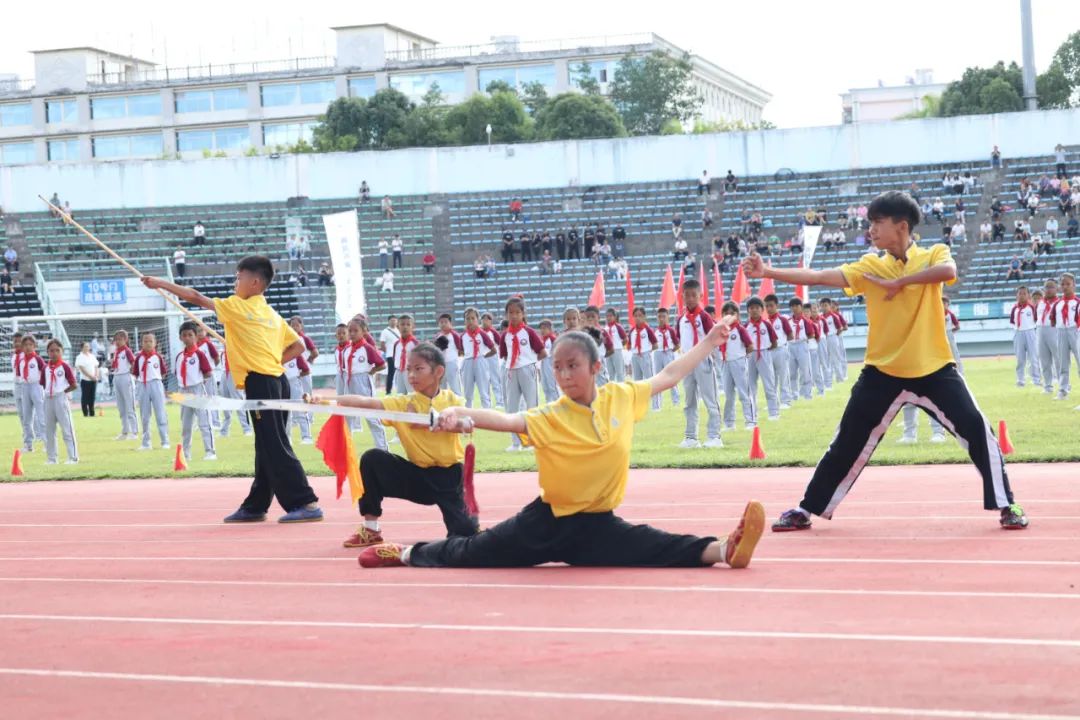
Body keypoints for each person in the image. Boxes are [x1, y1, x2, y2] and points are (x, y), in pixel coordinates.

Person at [355, 326, 766, 571]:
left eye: (573, 365)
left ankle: (724, 549)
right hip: (545, 522)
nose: (564, 375)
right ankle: (407, 553)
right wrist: (458, 413)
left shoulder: (621, 397)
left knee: (652, 545)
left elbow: (670, 374)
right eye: (557, 367)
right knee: (471, 551)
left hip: (597, 524)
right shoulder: (550, 416)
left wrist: (711, 342)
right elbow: (507, 420)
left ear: (595, 367)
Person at [743, 190, 1028, 531]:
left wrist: (901, 282)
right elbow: (820, 277)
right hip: (882, 372)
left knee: (978, 429)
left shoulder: (933, 253)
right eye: (870, 224)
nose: (871, 230)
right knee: (846, 440)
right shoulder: (870, 265)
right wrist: (768, 272)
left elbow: (948, 269)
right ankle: (806, 509)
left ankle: (1007, 504)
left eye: (878, 223)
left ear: (902, 226)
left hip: (934, 368)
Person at [141, 256, 323, 523]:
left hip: (263, 382)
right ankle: (256, 505)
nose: (235, 282)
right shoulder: (270, 314)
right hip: (277, 381)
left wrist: (160, 283)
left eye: (239, 278)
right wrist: (272, 361)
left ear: (255, 282)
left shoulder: (238, 306)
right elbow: (298, 347)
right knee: (265, 445)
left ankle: (306, 502)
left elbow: (195, 297)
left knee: (274, 444)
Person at [337, 342, 481, 550]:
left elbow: (469, 425)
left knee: (466, 536)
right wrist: (326, 400)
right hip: (416, 477)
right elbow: (364, 401)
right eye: (408, 369)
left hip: (448, 478)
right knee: (372, 459)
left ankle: (469, 525)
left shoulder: (453, 401)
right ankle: (370, 529)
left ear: (438, 372)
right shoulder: (402, 404)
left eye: (418, 369)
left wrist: (444, 423)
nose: (411, 375)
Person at [677, 279, 722, 448]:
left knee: (710, 399)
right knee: (689, 401)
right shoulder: (681, 319)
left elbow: (714, 338)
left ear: (700, 296)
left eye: (693, 295)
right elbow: (680, 339)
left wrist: (713, 357)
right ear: (682, 297)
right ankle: (690, 437)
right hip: (687, 362)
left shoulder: (704, 317)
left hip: (703, 361)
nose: (690, 299)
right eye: (686, 296)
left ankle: (714, 436)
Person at [499, 296, 546, 451]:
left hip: (528, 369)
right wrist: (513, 365)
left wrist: (530, 362)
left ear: (523, 314)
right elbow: (504, 355)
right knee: (511, 407)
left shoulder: (529, 332)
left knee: (531, 405)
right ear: (506, 315)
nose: (514, 316)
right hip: (511, 371)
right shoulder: (505, 335)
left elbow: (542, 352)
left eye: (517, 312)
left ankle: (531, 441)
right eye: (510, 313)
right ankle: (515, 442)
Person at [173, 321, 218, 460]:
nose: (187, 338)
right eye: (184, 335)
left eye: (190, 335)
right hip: (183, 391)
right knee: (186, 425)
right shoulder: (179, 356)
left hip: (197, 388)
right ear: (180, 337)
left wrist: (199, 382)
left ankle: (210, 452)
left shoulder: (199, 354)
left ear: (195, 337)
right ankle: (185, 454)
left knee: (204, 422)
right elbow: (177, 374)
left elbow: (208, 372)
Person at [42, 339, 79, 465]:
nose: (54, 353)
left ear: (62, 351)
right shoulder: (45, 368)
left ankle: (73, 457)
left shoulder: (64, 367)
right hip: (48, 399)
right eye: (51, 351)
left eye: (57, 350)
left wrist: (63, 392)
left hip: (60, 398)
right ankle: (52, 458)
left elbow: (74, 385)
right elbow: (43, 384)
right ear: (47, 352)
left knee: (67, 429)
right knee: (49, 431)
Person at [745, 297, 781, 421]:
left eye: (757, 308)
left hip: (765, 353)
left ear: (762, 310)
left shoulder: (767, 324)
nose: (754, 310)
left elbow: (774, 342)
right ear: (748, 311)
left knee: (769, 384)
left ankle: (774, 412)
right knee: (750, 385)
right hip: (750, 356)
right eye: (751, 308)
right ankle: (752, 414)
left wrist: (765, 350)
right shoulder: (745, 327)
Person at [134, 333, 170, 451]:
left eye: (150, 341)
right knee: (144, 415)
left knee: (160, 413)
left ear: (155, 343)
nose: (148, 343)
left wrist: (155, 380)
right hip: (142, 385)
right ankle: (146, 443)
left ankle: (165, 441)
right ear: (141, 343)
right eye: (145, 341)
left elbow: (164, 373)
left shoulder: (158, 357)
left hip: (156, 383)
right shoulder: (139, 357)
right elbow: (135, 372)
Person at [1050, 273, 1080, 401]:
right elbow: (1053, 320)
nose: (1065, 287)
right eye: (1062, 284)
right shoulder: (1057, 304)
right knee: (1063, 363)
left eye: (1068, 284)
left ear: (1074, 285)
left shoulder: (1077, 302)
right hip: (1061, 332)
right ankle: (1063, 390)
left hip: (1076, 332)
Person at [460, 307, 495, 409]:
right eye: (467, 319)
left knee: (484, 391)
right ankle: (467, 413)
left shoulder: (482, 334)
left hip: (480, 361)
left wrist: (483, 357)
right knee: (467, 393)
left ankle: (488, 414)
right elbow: (461, 351)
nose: (470, 321)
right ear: (465, 321)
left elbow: (493, 350)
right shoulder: (463, 336)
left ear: (477, 320)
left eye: (473, 318)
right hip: (467, 362)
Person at [19, 334, 47, 453]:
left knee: (41, 416)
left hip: (36, 386)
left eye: (30, 345)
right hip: (25, 386)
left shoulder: (38, 359)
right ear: (22, 347)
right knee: (27, 417)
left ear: (34, 346)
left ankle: (47, 443)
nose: (28, 347)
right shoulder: (21, 361)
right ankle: (28, 444)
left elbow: (45, 373)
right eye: (25, 345)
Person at [627, 308, 658, 410]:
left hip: (645, 354)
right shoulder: (632, 331)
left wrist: (647, 351)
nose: (638, 318)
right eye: (635, 316)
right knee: (637, 381)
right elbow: (630, 345)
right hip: (635, 355)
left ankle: (655, 405)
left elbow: (655, 344)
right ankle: (639, 405)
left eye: (640, 316)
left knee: (649, 380)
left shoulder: (647, 329)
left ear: (644, 317)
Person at [787, 298, 817, 401]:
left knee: (805, 370)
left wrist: (802, 339)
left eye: (797, 306)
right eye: (792, 306)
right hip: (791, 346)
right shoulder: (788, 321)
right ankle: (794, 394)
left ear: (801, 307)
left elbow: (812, 334)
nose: (794, 308)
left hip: (802, 344)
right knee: (792, 372)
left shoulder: (805, 321)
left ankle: (807, 393)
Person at [1010, 286, 1040, 388]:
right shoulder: (1014, 308)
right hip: (1018, 332)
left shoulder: (1031, 307)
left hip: (1030, 332)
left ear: (1028, 296)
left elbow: (1036, 319)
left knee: (1034, 357)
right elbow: (1012, 321)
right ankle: (1020, 380)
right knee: (1020, 358)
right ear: (1016, 295)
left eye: (1024, 294)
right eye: (1020, 293)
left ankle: (1036, 379)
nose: (1022, 296)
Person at [110, 330, 138, 440]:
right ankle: (125, 431)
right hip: (117, 377)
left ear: (125, 340)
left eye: (120, 339)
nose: (117, 342)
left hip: (126, 377)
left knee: (129, 406)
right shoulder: (116, 352)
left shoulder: (127, 351)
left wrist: (132, 371)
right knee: (121, 407)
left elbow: (133, 362)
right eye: (116, 340)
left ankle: (134, 432)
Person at [219, 348, 252, 438]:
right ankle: (224, 431)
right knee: (225, 401)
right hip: (224, 372)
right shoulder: (224, 348)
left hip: (235, 372)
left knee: (238, 400)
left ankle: (247, 428)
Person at [652, 307, 680, 408]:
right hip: (658, 353)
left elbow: (677, 344)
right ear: (657, 318)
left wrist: (670, 352)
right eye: (659, 317)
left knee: (671, 378)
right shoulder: (655, 331)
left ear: (667, 317)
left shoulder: (671, 331)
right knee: (657, 379)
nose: (661, 319)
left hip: (668, 352)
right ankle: (657, 405)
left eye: (664, 317)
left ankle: (676, 401)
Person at [1036, 280, 1059, 395]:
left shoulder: (1059, 303)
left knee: (1059, 359)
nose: (1048, 289)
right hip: (1040, 330)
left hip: (1054, 330)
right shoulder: (1041, 302)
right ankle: (1048, 386)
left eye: (1051, 287)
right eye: (1046, 287)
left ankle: (1063, 386)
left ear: (1057, 289)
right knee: (1044, 361)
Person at [433, 313, 464, 395]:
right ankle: (443, 405)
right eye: (441, 322)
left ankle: (459, 404)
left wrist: (456, 360)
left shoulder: (454, 335)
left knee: (454, 386)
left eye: (445, 322)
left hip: (451, 363)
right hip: (440, 364)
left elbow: (461, 349)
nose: (443, 324)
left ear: (450, 323)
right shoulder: (438, 336)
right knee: (441, 387)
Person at [391, 314, 419, 395]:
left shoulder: (415, 343)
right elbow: (394, 358)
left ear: (413, 327)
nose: (405, 327)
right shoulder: (396, 344)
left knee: (413, 394)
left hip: (411, 372)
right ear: (398, 326)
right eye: (402, 324)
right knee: (400, 395)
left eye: (408, 324)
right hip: (399, 371)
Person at [480, 312, 504, 407]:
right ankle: (487, 402)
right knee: (484, 381)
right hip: (482, 358)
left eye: (487, 319)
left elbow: (501, 343)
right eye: (483, 319)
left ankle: (500, 401)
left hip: (492, 357)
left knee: (495, 379)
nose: (485, 321)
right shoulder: (478, 331)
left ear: (491, 321)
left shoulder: (493, 332)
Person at [74, 341, 99, 418]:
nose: (87, 348)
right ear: (82, 348)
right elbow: (82, 368)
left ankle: (92, 413)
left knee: (92, 397)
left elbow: (96, 366)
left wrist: (96, 376)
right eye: (85, 346)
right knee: (85, 397)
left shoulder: (92, 356)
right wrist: (91, 376)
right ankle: (85, 413)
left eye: (88, 346)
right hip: (85, 380)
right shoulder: (79, 357)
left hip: (93, 380)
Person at [537, 319, 559, 403]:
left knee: (552, 385)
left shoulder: (552, 338)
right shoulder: (542, 339)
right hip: (543, 363)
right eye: (541, 328)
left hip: (550, 363)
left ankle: (557, 404)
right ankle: (549, 404)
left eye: (544, 328)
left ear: (550, 329)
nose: (542, 330)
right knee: (545, 385)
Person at [379, 315, 400, 395]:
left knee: (399, 373)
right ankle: (388, 391)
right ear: (388, 321)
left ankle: (399, 389)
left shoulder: (398, 331)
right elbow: (382, 343)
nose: (393, 322)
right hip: (390, 355)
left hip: (398, 355)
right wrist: (387, 352)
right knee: (391, 373)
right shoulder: (385, 331)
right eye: (392, 320)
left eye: (395, 320)